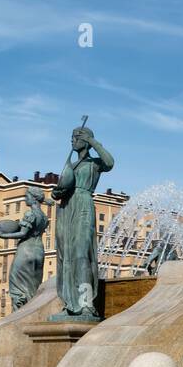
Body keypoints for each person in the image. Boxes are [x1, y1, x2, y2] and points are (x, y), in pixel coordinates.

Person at [51, 125, 114, 321]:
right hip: (66, 207)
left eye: (75, 137)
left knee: (81, 254)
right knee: (66, 256)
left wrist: (93, 142)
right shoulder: (72, 164)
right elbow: (63, 186)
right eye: (71, 137)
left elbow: (110, 162)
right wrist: (57, 192)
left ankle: (86, 303)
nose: (71, 141)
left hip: (84, 204)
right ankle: (70, 304)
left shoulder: (94, 164)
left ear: (84, 140)